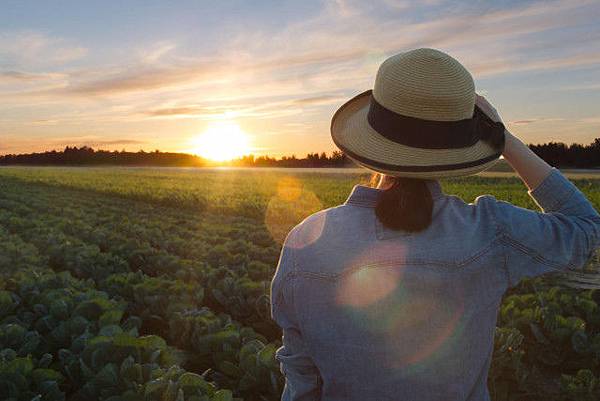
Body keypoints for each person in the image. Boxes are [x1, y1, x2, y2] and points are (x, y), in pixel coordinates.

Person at [270, 48, 600, 401]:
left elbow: (302, 379)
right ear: (462, 145)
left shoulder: (306, 240)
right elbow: (587, 229)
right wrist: (506, 141)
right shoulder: (491, 230)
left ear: (370, 136)